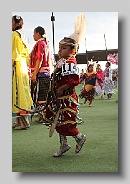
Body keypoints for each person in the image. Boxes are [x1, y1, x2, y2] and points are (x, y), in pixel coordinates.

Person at [42, 13, 87, 157]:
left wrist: (61, 88)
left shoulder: (70, 63)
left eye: (63, 49)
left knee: (67, 123)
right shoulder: (62, 62)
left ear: (72, 51)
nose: (59, 51)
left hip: (67, 99)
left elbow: (74, 80)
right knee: (58, 122)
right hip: (58, 98)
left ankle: (79, 138)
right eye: (59, 48)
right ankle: (64, 145)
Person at [12, 15, 33, 130]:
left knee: (17, 93)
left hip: (17, 65)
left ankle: (24, 122)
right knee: (22, 92)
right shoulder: (23, 35)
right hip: (23, 65)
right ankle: (19, 120)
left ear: (16, 23)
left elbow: (13, 53)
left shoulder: (14, 35)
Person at [29, 26, 51, 122]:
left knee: (41, 95)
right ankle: (44, 115)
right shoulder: (44, 43)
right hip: (44, 73)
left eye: (34, 33)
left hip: (41, 74)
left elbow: (39, 59)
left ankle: (44, 116)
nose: (33, 35)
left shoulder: (40, 43)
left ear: (38, 33)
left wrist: (34, 74)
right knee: (43, 94)